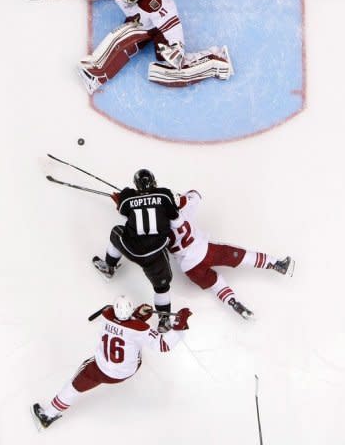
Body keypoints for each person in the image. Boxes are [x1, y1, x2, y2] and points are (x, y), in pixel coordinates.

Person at [31, 295, 192, 430]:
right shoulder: (140, 328)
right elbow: (163, 345)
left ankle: (48, 415)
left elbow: (121, 323)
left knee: (75, 385)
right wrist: (179, 327)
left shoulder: (106, 316)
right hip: (127, 371)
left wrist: (137, 314)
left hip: (101, 369)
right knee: (134, 345)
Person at [74, 0, 234, 94]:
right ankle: (96, 75)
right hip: (140, 24)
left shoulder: (153, 2)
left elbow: (171, 24)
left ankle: (216, 61)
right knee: (118, 38)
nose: (127, 4)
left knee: (172, 67)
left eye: (132, 1)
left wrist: (176, 46)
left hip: (161, 29)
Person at [168, 190, 295, 319]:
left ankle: (234, 303)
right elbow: (196, 195)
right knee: (243, 256)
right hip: (205, 251)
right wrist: (181, 200)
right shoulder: (181, 212)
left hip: (190, 269)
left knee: (216, 284)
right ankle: (277, 264)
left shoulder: (155, 229)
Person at [93, 169, 183, 333]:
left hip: (132, 249)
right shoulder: (164, 195)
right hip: (155, 252)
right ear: (154, 181)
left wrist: (120, 201)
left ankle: (109, 267)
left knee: (117, 232)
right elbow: (177, 222)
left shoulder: (127, 196)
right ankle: (163, 319)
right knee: (161, 287)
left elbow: (124, 214)